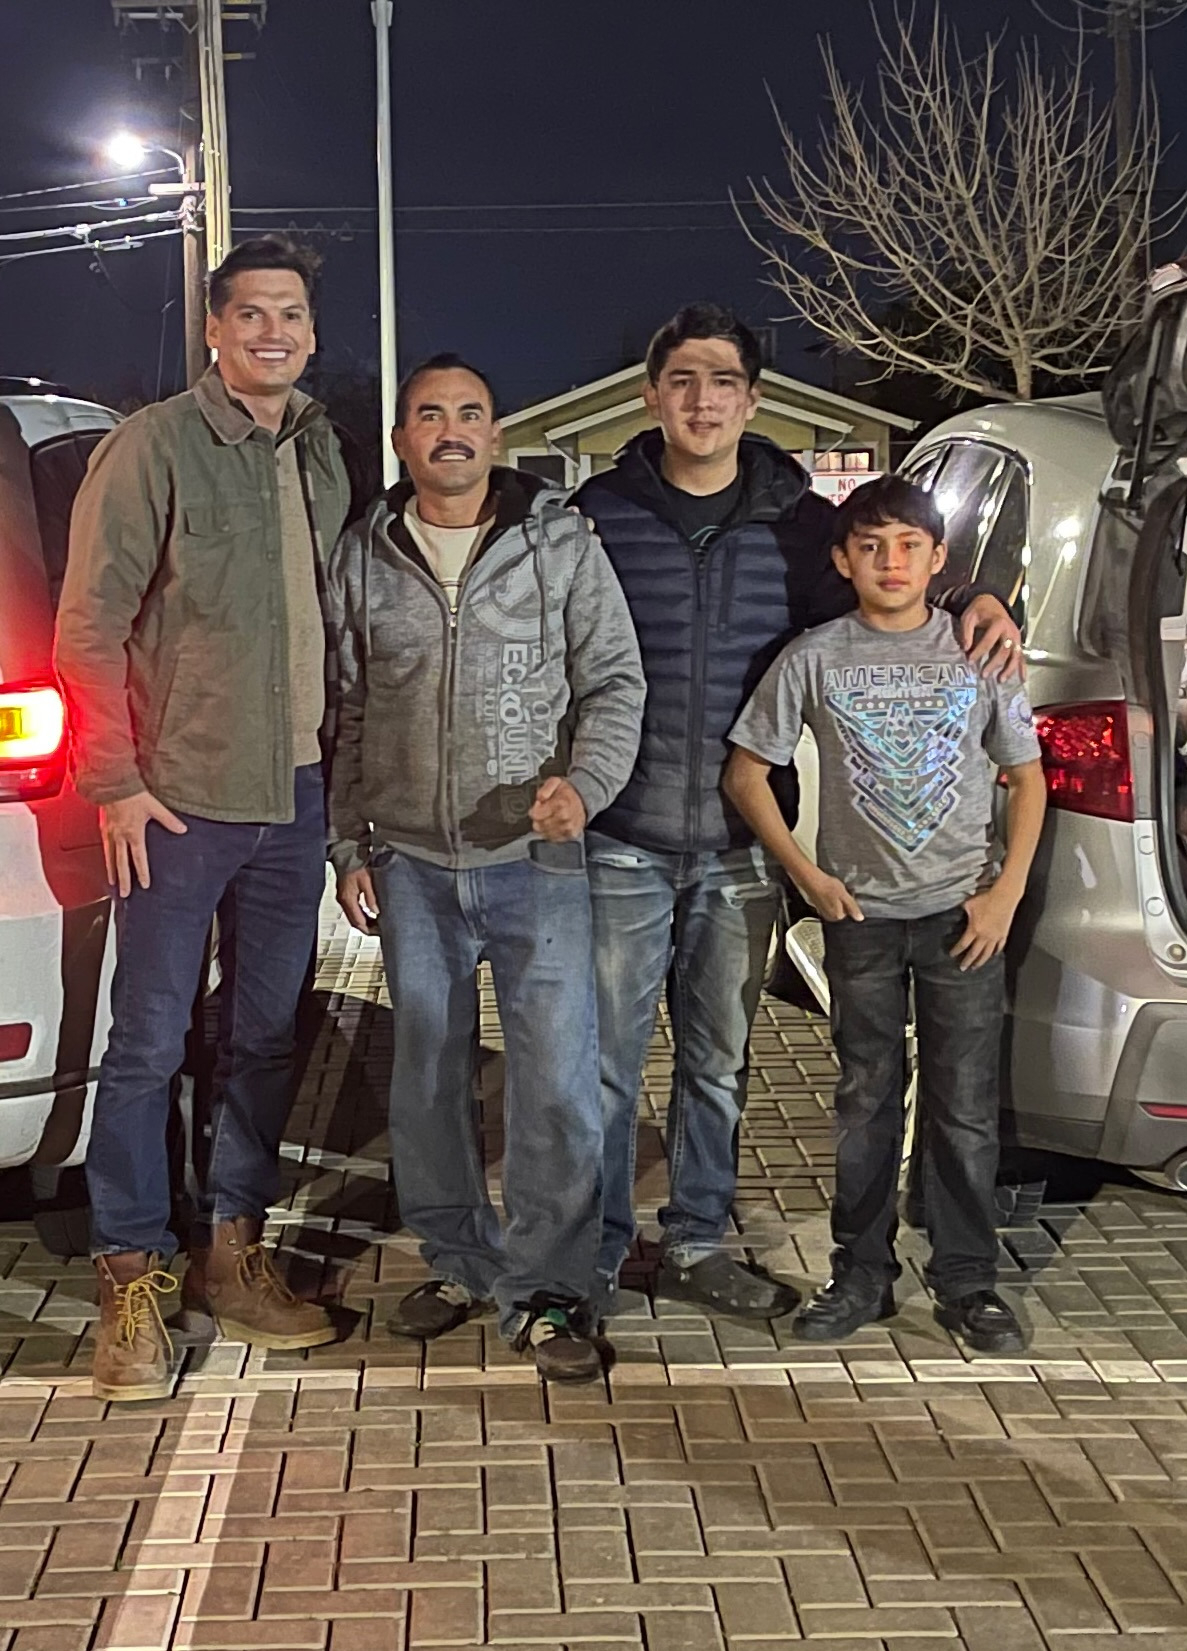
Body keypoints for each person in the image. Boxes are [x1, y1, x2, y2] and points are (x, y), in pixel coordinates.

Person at [574, 306, 1021, 1319]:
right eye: (681, 380)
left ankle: (694, 1243)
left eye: (722, 381)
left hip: (739, 849)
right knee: (601, 1067)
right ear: (650, 394)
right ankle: (596, 1254)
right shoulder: (600, 513)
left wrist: (988, 601)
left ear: (751, 399)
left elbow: (894, 587)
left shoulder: (802, 523)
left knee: (718, 1066)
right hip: (621, 841)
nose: (701, 400)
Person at [56, 235, 352, 1403]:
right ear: (215, 331)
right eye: (250, 314)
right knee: (148, 1043)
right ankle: (129, 1273)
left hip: (296, 796)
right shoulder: (153, 447)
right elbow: (90, 626)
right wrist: (116, 780)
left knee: (267, 1036)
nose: (272, 331)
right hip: (174, 804)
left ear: (311, 332)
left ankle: (233, 1246)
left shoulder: (321, 453)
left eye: (290, 314)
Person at [330, 356, 645, 1385]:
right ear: (402, 439)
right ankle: (460, 1259)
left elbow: (612, 680)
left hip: (535, 861)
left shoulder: (557, 543)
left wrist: (584, 787)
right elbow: (348, 706)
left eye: (471, 412)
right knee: (425, 1080)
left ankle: (550, 1289)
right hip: (412, 863)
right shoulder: (364, 553)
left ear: (496, 436)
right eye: (430, 415)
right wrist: (348, 843)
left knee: (552, 1081)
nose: (451, 430)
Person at [720, 475, 1044, 1354]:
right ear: (843, 559)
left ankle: (968, 1279)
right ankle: (860, 1273)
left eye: (909, 546)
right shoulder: (815, 656)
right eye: (870, 547)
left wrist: (1005, 892)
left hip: (962, 919)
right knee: (867, 1099)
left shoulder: (982, 657)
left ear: (939, 561)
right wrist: (805, 876)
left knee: (965, 1106)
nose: (890, 562)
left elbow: (1028, 778)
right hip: (860, 916)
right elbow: (747, 772)